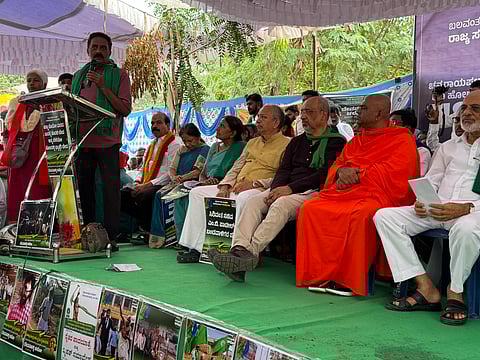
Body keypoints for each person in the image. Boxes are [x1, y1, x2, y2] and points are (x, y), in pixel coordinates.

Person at [208, 96, 347, 281]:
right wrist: (277, 188)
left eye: (309, 112)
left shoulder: (337, 141)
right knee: (253, 202)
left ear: (323, 115)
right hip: (285, 188)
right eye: (303, 112)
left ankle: (249, 253)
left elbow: (324, 174)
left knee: (281, 205)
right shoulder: (297, 142)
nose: (303, 117)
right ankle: (238, 251)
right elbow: (284, 169)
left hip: (314, 191)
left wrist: (288, 189)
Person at [374, 90, 480, 326]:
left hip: (474, 213)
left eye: (476, 108)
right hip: (438, 209)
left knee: (466, 229)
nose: (468, 113)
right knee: (385, 217)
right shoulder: (449, 147)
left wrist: (466, 208)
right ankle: (425, 285)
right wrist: (422, 201)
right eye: (465, 108)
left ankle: (455, 292)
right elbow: (432, 179)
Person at [296, 95, 419, 296]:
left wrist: (358, 174)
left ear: (379, 113)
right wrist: (340, 173)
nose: (359, 111)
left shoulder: (402, 139)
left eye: (363, 107)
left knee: (362, 214)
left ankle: (348, 279)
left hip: (375, 195)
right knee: (310, 208)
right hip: (345, 192)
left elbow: (398, 173)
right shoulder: (357, 140)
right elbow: (338, 165)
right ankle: (320, 275)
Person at [177, 105, 290, 263]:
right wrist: (225, 185)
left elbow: (283, 175)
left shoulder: (288, 144)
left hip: (261, 188)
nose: (258, 120)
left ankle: (235, 253)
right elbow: (237, 167)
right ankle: (195, 248)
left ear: (276, 122)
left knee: (243, 199)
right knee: (197, 193)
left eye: (263, 117)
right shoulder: (252, 143)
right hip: (236, 185)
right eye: (258, 117)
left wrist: (254, 183)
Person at [72, 32, 132, 252]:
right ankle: (88, 234)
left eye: (102, 47)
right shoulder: (79, 76)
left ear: (109, 51)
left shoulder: (120, 76)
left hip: (108, 142)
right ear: (88, 50)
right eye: (94, 47)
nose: (98, 50)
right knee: (84, 191)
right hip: (83, 141)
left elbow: (125, 109)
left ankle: (111, 237)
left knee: (110, 191)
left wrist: (103, 86)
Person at [173, 117, 245, 240]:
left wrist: (220, 182)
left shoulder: (241, 147)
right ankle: (183, 240)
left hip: (225, 184)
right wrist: (203, 181)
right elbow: (203, 172)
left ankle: (197, 241)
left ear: (232, 133)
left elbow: (238, 170)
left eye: (222, 126)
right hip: (207, 182)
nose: (218, 128)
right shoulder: (214, 147)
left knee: (192, 196)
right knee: (179, 196)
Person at [2, 69, 51, 224]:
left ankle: (38, 229)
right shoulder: (18, 102)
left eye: (35, 80)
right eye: (29, 80)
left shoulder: (50, 102)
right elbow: (7, 131)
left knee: (38, 191)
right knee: (18, 191)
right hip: (19, 158)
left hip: (40, 156)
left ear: (44, 84)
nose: (31, 83)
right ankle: (16, 228)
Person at [149, 123, 208, 247]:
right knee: (160, 196)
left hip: (193, 183)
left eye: (190, 141)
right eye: (185, 141)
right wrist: (174, 177)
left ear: (198, 137)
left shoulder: (205, 149)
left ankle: (187, 241)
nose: (188, 144)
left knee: (183, 202)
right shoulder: (181, 150)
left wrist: (182, 178)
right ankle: (165, 238)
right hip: (178, 183)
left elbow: (197, 171)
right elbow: (172, 168)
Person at [121, 112, 179, 234]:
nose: (154, 126)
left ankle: (148, 229)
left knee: (144, 197)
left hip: (164, 184)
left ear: (167, 125)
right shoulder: (151, 145)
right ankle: (143, 226)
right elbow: (142, 168)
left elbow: (170, 173)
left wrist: (147, 185)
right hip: (145, 184)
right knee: (122, 195)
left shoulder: (174, 144)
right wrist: (137, 182)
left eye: (158, 122)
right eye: (152, 123)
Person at [390, 108, 432, 176]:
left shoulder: (421, 151)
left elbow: (416, 179)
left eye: (393, 123)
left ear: (407, 128)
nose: (389, 127)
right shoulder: (386, 147)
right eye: (388, 123)